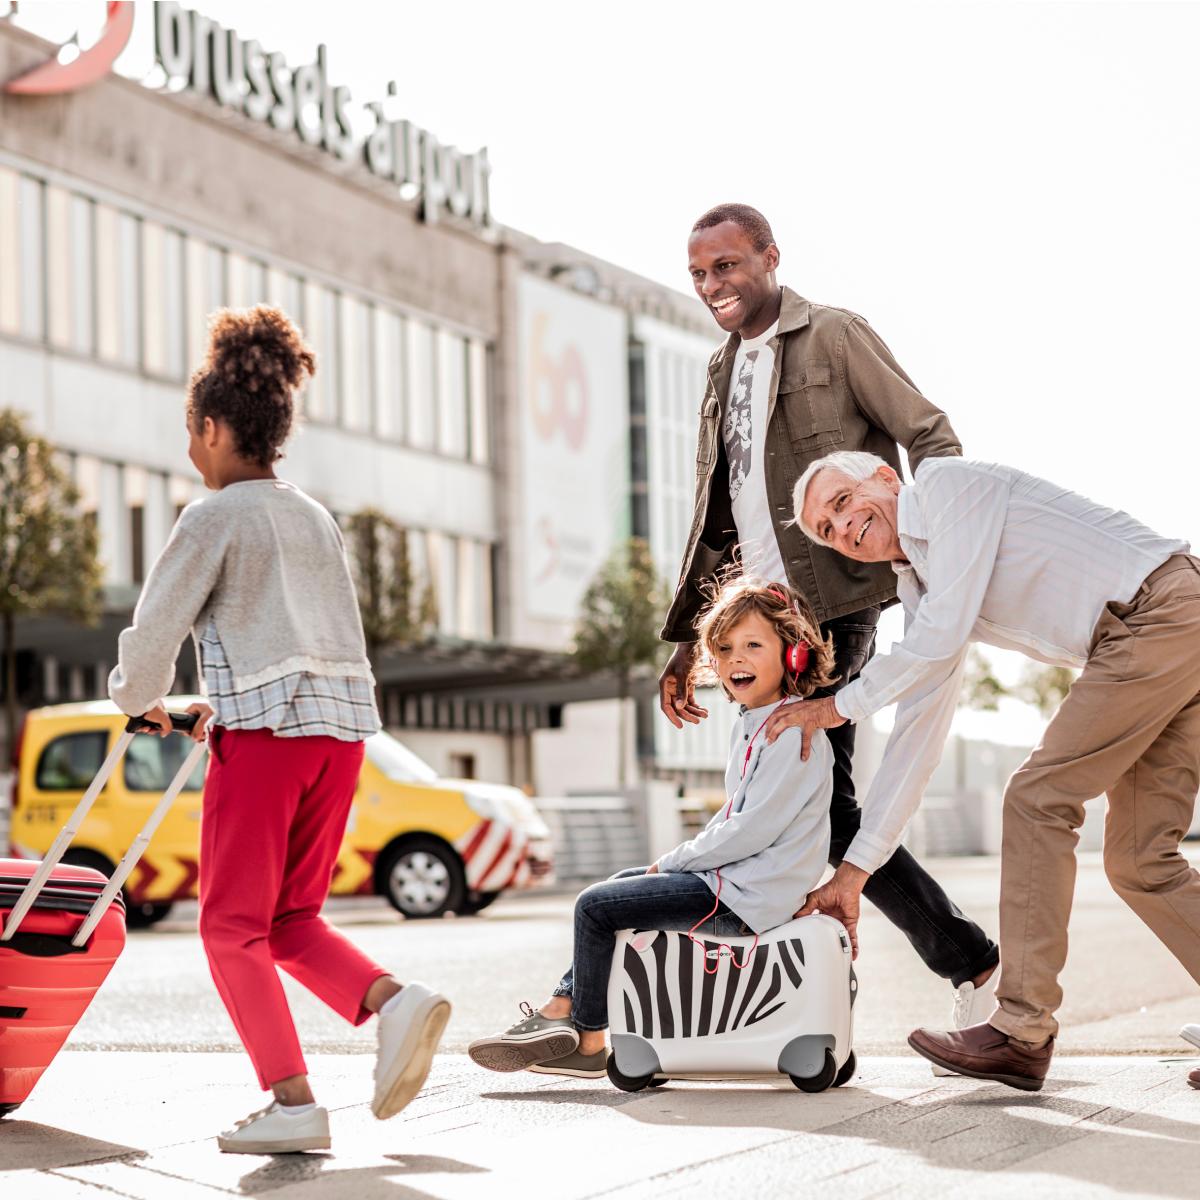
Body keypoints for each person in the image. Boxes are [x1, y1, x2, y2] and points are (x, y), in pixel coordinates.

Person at [658, 202, 999, 1055]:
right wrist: (682, 642)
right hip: (760, 623)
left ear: (771, 257)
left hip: (836, 603)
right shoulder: (719, 370)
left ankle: (972, 967)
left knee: (818, 801)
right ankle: (944, 969)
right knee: (809, 803)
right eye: (700, 273)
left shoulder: (836, 335)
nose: (714, 286)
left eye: (728, 266)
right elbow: (718, 515)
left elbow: (930, 434)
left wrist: (932, 548)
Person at [108, 306, 451, 1153]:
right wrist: (210, 708)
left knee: (229, 927)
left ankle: (293, 1102)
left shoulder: (212, 515)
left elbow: (153, 640)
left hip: (263, 747)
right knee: (291, 920)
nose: (191, 451)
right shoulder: (312, 516)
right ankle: (391, 1001)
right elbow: (297, 642)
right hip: (338, 739)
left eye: (192, 434)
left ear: (216, 428)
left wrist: (136, 696)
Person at [782, 449, 1198, 1091]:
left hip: (1159, 612)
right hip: (1152, 630)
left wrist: (838, 705)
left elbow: (940, 639)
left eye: (841, 504)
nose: (844, 531)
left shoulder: (949, 490)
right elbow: (916, 733)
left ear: (886, 479)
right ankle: (1021, 1032)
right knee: (1142, 860)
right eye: (828, 533)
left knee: (1037, 801)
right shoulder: (924, 586)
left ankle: (1021, 1031)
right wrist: (855, 873)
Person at [468, 579, 837, 1078]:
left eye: (753, 645)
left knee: (595, 907)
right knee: (620, 886)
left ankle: (583, 1034)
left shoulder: (791, 731)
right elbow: (737, 818)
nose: (736, 660)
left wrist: (675, 860)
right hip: (738, 887)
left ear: (793, 654)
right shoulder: (755, 724)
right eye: (724, 649)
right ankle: (568, 1017)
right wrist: (674, 863)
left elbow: (751, 831)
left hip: (745, 897)